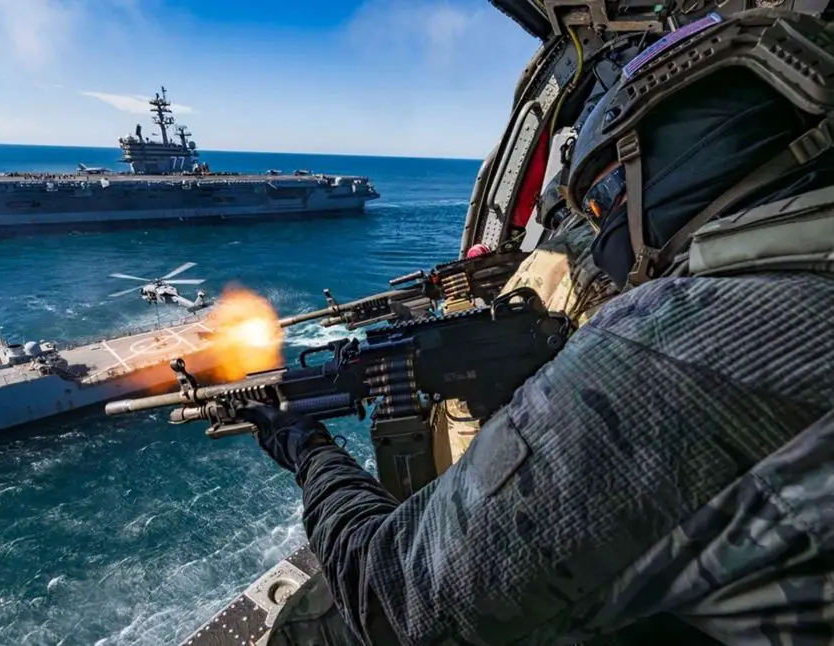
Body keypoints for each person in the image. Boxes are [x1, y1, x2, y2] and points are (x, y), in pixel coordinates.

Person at [241, 10, 834, 646]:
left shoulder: (690, 341)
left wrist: (309, 449)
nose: (603, 225)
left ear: (684, 165)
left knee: (311, 624)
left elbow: (393, 598)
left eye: (607, 198)